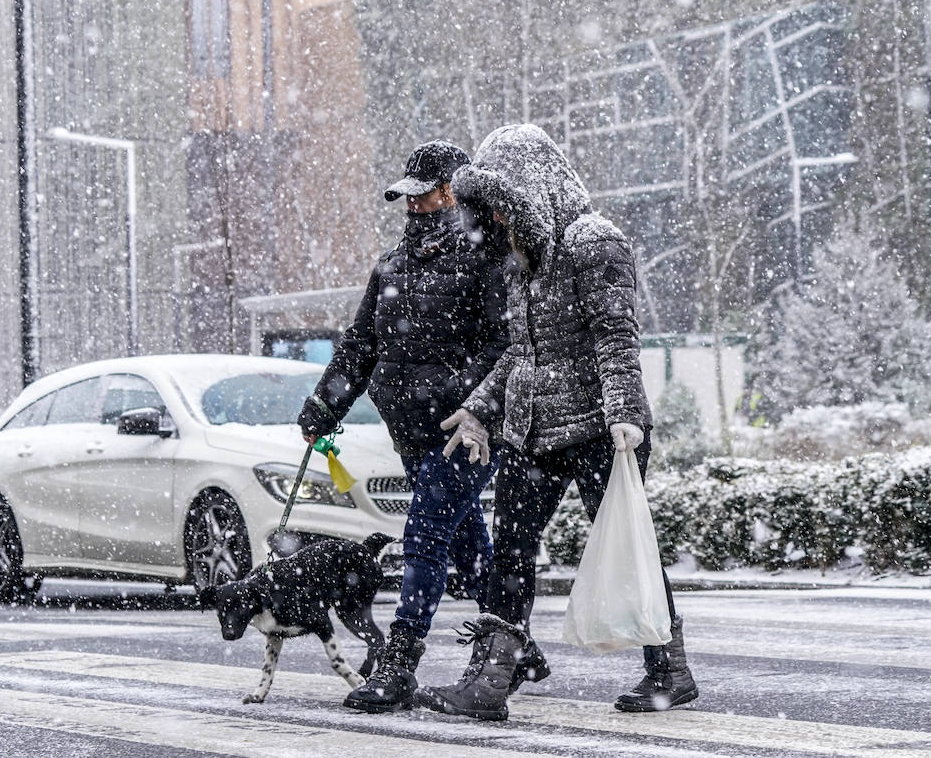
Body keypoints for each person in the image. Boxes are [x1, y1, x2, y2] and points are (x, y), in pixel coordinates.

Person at [415, 123, 699, 721]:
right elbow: (520, 350)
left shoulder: (593, 241)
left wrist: (624, 416)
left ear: (528, 189)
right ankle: (491, 680)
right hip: (532, 432)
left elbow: (616, 336)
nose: (491, 222)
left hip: (600, 429)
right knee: (512, 552)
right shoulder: (522, 258)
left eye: (500, 206)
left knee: (629, 550)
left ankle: (669, 669)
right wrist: (479, 406)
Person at [297, 140, 541, 714]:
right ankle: (513, 646)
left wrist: (469, 400)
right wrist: (321, 410)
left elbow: (505, 344)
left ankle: (399, 664)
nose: (414, 208)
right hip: (409, 429)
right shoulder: (392, 265)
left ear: (453, 191)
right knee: (467, 542)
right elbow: (359, 346)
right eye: (408, 198)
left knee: (425, 540)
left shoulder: (485, 258)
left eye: (424, 196)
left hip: (464, 431)